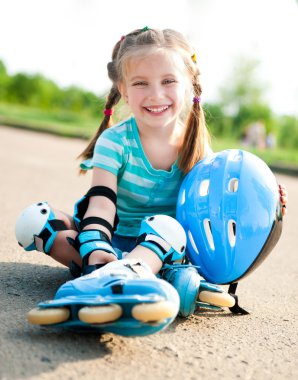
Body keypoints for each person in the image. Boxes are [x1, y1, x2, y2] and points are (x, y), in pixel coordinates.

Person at [16, 27, 288, 325]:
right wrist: (96, 248)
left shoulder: (197, 148)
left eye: (168, 81)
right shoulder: (115, 142)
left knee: (168, 225)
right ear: (122, 88)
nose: (155, 94)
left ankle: (121, 276)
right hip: (111, 238)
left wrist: (268, 202)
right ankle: (128, 275)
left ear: (189, 85)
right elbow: (101, 204)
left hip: (161, 245)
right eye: (141, 83)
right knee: (35, 221)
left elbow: (219, 211)